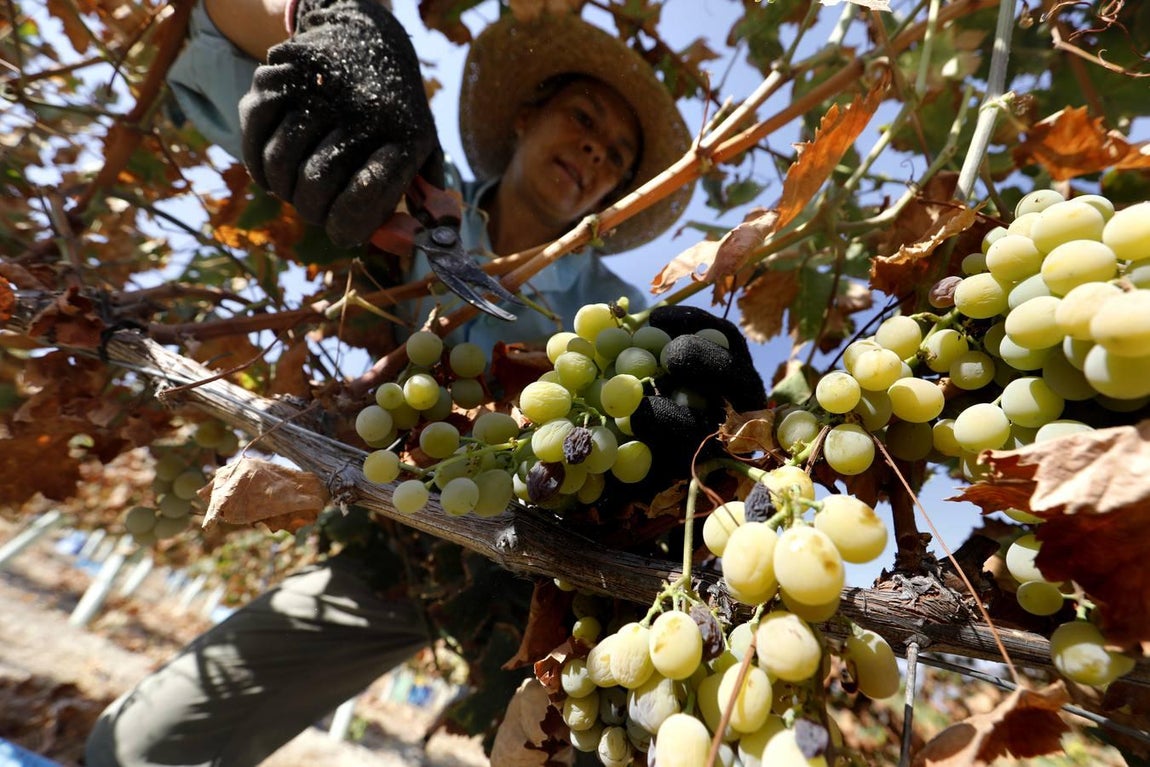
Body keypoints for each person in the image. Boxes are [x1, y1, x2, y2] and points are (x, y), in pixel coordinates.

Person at [85, 3, 700, 766]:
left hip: (548, 587)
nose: (595, 151)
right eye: (583, 118)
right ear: (525, 117)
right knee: (134, 746)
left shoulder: (622, 316)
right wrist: (324, 15)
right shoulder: (404, 183)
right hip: (400, 539)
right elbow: (208, 43)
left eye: (616, 157)